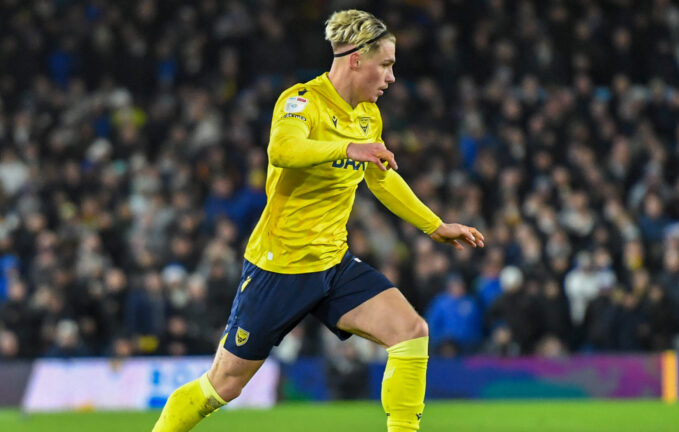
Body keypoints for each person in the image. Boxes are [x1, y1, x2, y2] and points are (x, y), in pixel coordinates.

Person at [153, 9, 484, 432]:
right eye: (386, 65)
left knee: (411, 330)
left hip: (332, 264)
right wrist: (348, 149)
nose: (391, 77)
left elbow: (382, 180)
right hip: (280, 267)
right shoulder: (301, 101)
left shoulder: (367, 115)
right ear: (356, 59)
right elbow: (283, 151)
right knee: (223, 386)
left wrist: (434, 226)